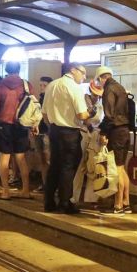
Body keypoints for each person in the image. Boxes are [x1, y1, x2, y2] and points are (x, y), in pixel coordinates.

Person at [42, 63, 93, 214]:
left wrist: (53, 124)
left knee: (54, 167)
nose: (84, 77)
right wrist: (91, 112)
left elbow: (44, 113)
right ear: (73, 70)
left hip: (54, 131)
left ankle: (49, 201)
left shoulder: (52, 85)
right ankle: (65, 203)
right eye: (83, 73)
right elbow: (82, 115)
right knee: (68, 168)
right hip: (70, 132)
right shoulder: (74, 87)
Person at [0, 62, 34, 200]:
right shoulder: (27, 85)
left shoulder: (0, 85)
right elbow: (33, 106)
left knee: (4, 158)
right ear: (19, 69)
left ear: (6, 69)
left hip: (4, 125)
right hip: (21, 125)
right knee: (21, 158)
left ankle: (5, 192)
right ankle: (26, 190)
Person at [98, 67, 133, 215]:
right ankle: (126, 202)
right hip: (125, 130)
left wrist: (103, 132)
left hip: (116, 131)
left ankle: (118, 205)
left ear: (101, 78)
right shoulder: (120, 87)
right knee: (122, 167)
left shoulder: (109, 89)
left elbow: (109, 115)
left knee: (117, 168)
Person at [35, 76, 54, 190]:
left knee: (49, 159)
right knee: (41, 159)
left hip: (47, 132)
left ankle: (51, 185)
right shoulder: (40, 98)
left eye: (44, 85)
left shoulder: (52, 99)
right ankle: (45, 183)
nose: (42, 87)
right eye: (41, 85)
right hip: (39, 131)